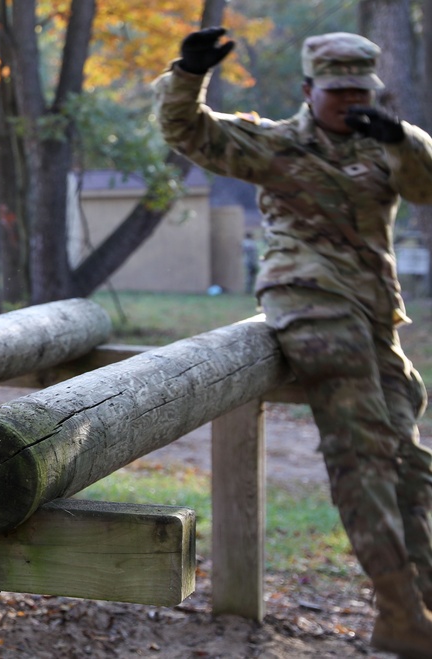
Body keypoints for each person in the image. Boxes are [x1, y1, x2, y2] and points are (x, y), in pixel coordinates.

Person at [154, 27, 432, 656]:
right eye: (337, 90)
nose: (348, 101)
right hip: (308, 305)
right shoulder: (274, 143)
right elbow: (189, 133)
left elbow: (425, 186)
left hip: (371, 317)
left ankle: (417, 600)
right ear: (309, 90)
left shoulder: (385, 146)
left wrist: (399, 136)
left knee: (408, 459)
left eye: (360, 90)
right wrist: (188, 74)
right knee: (363, 454)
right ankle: (399, 610)